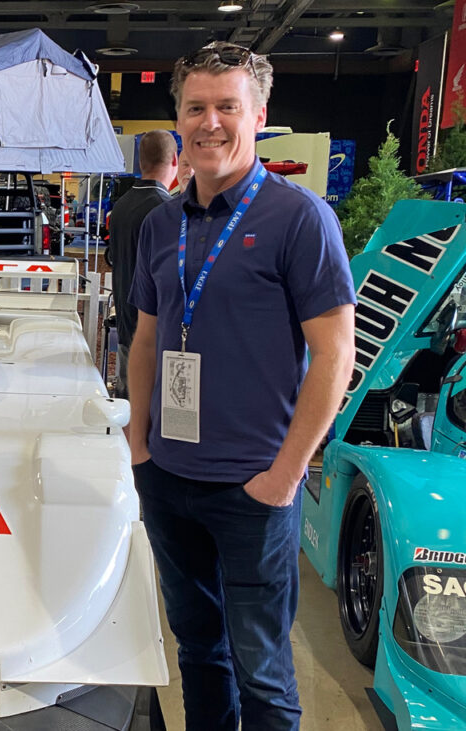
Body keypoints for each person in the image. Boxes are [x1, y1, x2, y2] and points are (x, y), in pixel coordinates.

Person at [127, 42, 356, 730]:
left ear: (258, 114)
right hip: (169, 477)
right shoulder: (162, 223)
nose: (210, 122)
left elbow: (335, 356)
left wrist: (287, 475)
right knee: (198, 649)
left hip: (254, 489)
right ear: (178, 118)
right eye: (195, 107)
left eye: (227, 106)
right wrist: (139, 444)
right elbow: (145, 338)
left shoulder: (298, 218)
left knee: (262, 669)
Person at [106, 129, 177, 399]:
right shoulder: (165, 210)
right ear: (174, 160)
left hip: (126, 322)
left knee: (128, 407)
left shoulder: (122, 206)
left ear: (139, 161)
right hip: (154, 335)